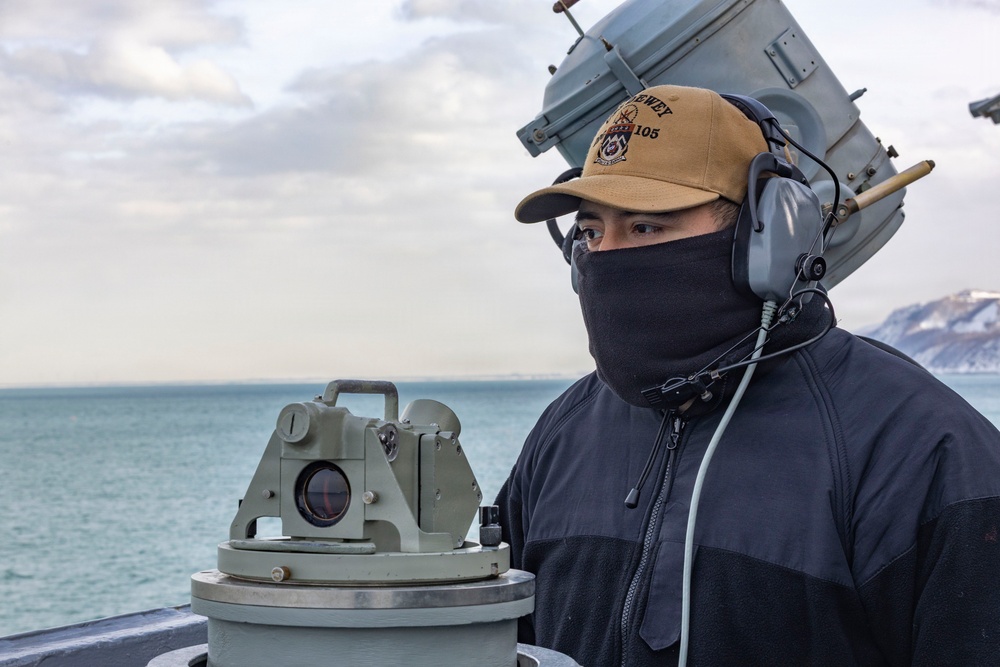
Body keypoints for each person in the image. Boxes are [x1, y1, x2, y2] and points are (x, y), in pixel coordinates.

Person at [496, 84, 1000, 666]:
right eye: (588, 233)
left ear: (768, 237)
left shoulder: (921, 448)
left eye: (645, 227)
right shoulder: (564, 434)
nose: (603, 260)